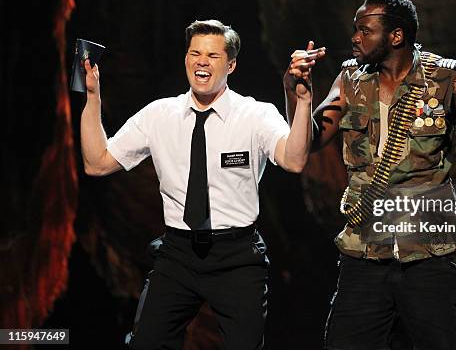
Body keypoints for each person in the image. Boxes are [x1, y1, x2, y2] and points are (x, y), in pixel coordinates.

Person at [283, 0, 456, 350]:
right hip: (365, 251)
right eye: (355, 29)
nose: (355, 38)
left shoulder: (445, 79)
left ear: (396, 36)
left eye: (365, 30)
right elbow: (308, 141)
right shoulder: (349, 80)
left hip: (429, 255)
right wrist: (297, 93)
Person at [80, 19, 313, 349]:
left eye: (213, 55)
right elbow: (97, 162)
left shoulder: (255, 114)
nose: (202, 61)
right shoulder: (159, 115)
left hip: (237, 256)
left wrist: (302, 103)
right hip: (177, 254)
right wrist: (93, 97)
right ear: (186, 59)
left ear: (231, 65)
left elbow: (294, 159)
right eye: (195, 53)